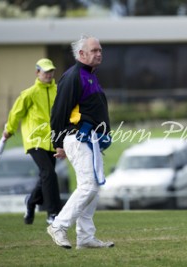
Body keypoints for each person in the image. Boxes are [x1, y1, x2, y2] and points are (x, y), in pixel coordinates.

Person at [47, 35, 114, 249]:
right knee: (89, 186)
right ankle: (58, 225)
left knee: (93, 186)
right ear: (81, 54)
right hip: (77, 136)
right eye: (94, 50)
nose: (99, 53)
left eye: (100, 50)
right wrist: (58, 142)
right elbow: (58, 111)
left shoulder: (90, 75)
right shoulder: (74, 76)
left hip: (90, 139)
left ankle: (85, 237)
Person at [3, 58, 62, 225]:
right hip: (34, 140)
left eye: (51, 71)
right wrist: (9, 130)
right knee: (49, 173)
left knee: (45, 176)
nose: (49, 74)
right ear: (37, 73)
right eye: (46, 71)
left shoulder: (58, 90)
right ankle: (53, 214)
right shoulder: (29, 93)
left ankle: (30, 201)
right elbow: (16, 113)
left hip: (52, 140)